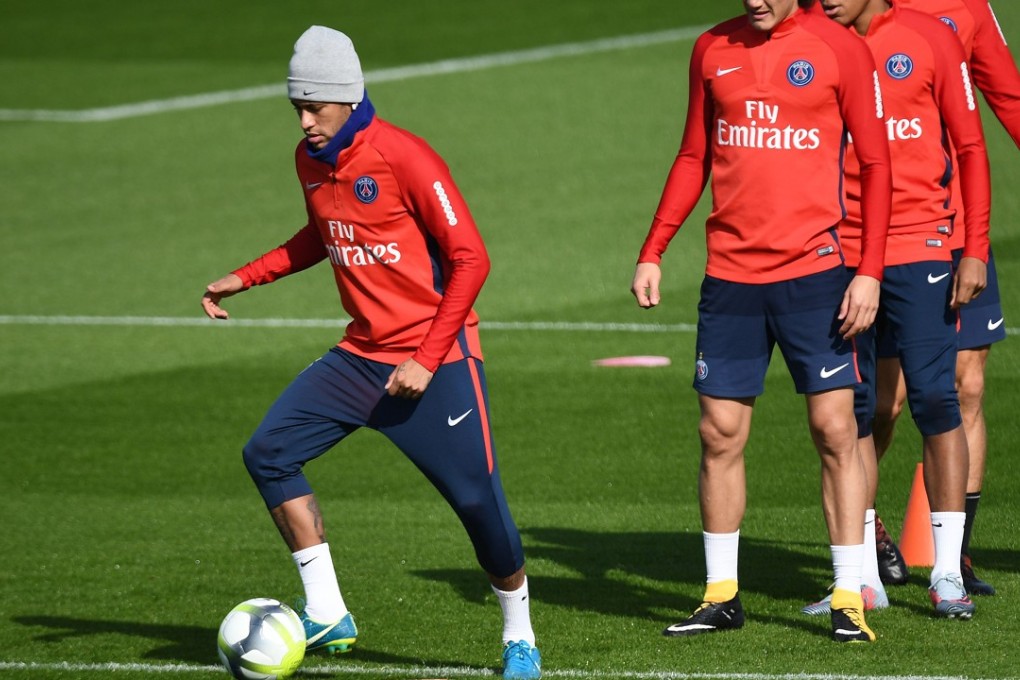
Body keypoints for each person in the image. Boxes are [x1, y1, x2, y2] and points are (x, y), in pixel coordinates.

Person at [201, 26, 541, 680]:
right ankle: (328, 611)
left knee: (479, 506)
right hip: (360, 360)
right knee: (268, 453)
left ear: (346, 99)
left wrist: (425, 355)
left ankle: (518, 637)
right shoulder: (310, 159)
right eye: (295, 107)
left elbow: (472, 260)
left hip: (436, 366)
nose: (304, 121)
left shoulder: (406, 158)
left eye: (314, 108)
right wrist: (247, 276)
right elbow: (321, 235)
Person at [630, 0, 891, 643]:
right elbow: (693, 155)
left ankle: (846, 595)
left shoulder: (839, 48)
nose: (756, 2)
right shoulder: (710, 48)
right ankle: (721, 595)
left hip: (817, 275)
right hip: (730, 278)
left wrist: (870, 270)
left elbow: (877, 162)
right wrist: (654, 248)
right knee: (719, 431)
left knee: (834, 429)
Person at [803, 0, 991, 620]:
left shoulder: (928, 38)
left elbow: (969, 146)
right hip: (840, 252)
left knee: (936, 399)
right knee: (854, 413)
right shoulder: (811, 42)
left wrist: (974, 248)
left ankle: (946, 572)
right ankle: (858, 580)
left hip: (921, 247)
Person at [866, 0, 1020, 597]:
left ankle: (956, 556)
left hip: (955, 227)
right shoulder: (844, 10)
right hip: (875, 231)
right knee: (883, 403)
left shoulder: (967, 7)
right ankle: (865, 530)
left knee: (967, 383)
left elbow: (1006, 96)